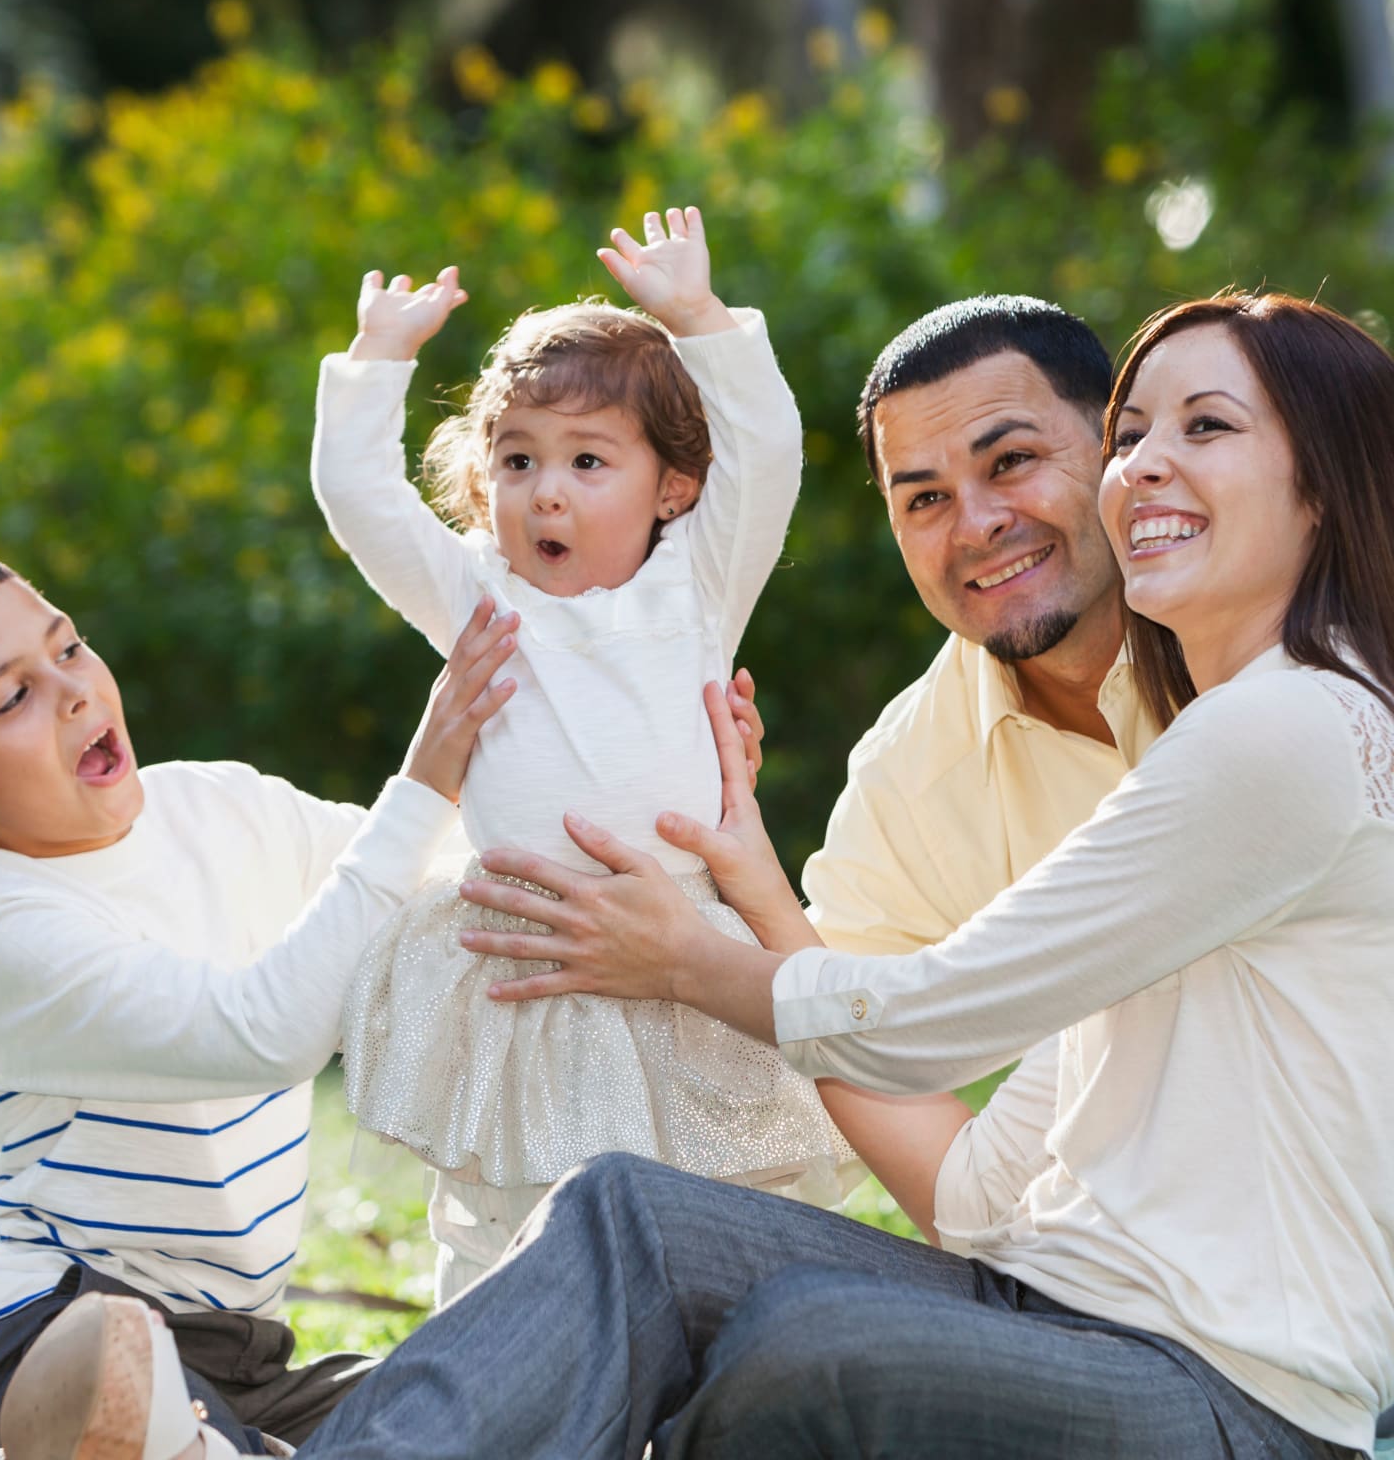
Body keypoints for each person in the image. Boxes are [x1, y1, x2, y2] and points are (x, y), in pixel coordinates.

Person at [286, 289, 1386, 1457]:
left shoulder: (1282, 730)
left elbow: (930, 1021)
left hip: (1232, 1388)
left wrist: (690, 958)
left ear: (1322, 476)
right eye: (1132, 436)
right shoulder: (1158, 739)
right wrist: (751, 876)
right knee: (627, 1218)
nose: (1148, 466)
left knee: (803, 1351)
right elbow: (974, 1193)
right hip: (1056, 1297)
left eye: (1203, 428)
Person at [0, 551, 517, 1457]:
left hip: (237, 1358)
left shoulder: (215, 806)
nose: (71, 692)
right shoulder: (2, 931)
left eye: (68, 648)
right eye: (11, 698)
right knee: (152, 1410)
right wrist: (423, 780)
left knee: (491, 1414)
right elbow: (268, 1031)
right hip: (48, 1339)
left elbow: (424, 875)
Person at [313, 208, 850, 1304]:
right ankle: (499, 1384)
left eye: (586, 460)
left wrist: (698, 318)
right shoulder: (477, 595)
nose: (544, 489)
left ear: (672, 487)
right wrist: (375, 362)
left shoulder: (695, 585)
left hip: (684, 952)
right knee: (504, 1235)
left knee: (721, 1217)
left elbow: (770, 453)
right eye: (517, 459)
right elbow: (360, 503)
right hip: (527, 964)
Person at [796, 294, 1161, 958]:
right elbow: (837, 1040)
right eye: (927, 499)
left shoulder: (1275, 624)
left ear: (1117, 446)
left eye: (1012, 461)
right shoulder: (908, 783)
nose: (977, 525)